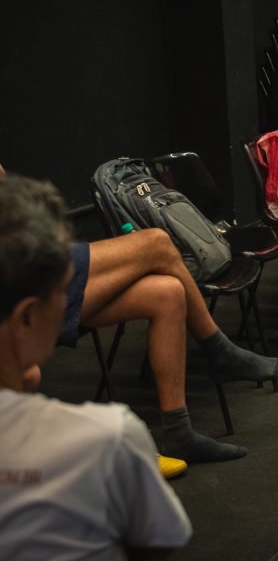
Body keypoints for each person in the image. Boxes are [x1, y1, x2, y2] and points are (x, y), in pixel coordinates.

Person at [0, 162, 278, 465]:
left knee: (167, 294)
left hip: (24, 264)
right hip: (19, 270)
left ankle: (178, 432)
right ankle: (220, 351)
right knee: (157, 243)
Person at [0, 173, 193, 559]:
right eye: (62, 291)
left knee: (164, 291)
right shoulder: (107, 439)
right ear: (27, 318)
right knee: (157, 245)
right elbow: (160, 542)